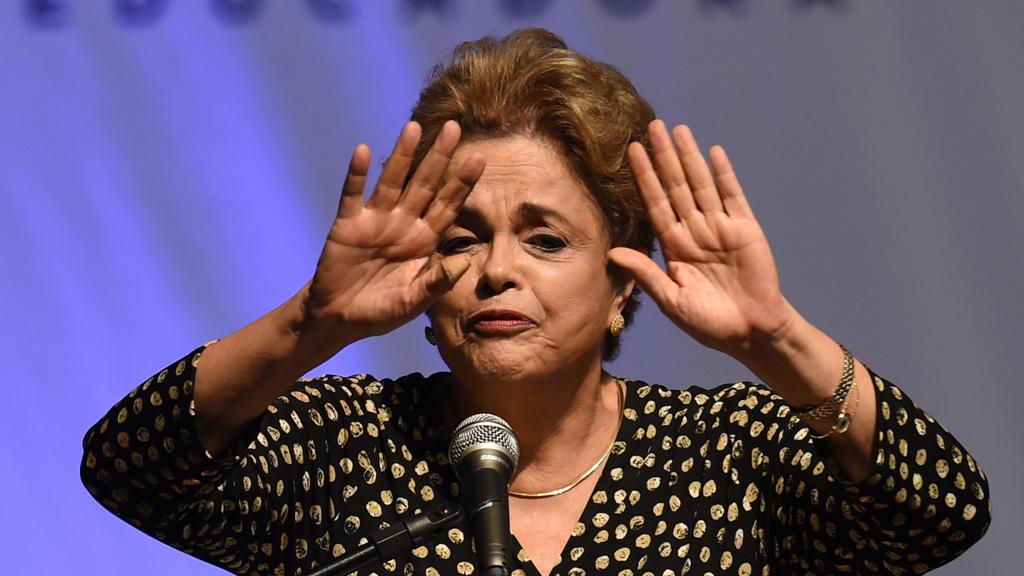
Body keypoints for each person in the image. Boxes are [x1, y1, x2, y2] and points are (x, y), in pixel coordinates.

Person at [81, 28, 989, 576]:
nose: (496, 271)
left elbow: (939, 514)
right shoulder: (348, 442)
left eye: (546, 238)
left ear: (622, 286)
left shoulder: (730, 453)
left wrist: (776, 337)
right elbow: (130, 467)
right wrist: (309, 325)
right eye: (462, 236)